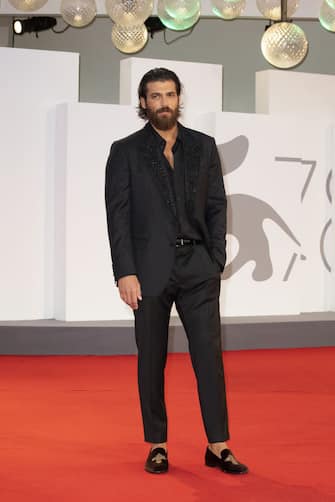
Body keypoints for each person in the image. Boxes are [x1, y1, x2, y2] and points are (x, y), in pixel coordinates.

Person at [105, 67, 248, 475]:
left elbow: (218, 206)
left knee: (209, 357)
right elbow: (118, 216)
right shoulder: (126, 151)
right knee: (151, 357)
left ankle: (218, 444)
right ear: (143, 102)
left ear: (178, 98)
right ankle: (157, 444)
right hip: (148, 271)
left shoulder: (203, 147)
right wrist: (124, 272)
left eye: (169, 95)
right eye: (155, 96)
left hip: (198, 267)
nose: (163, 102)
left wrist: (215, 257)